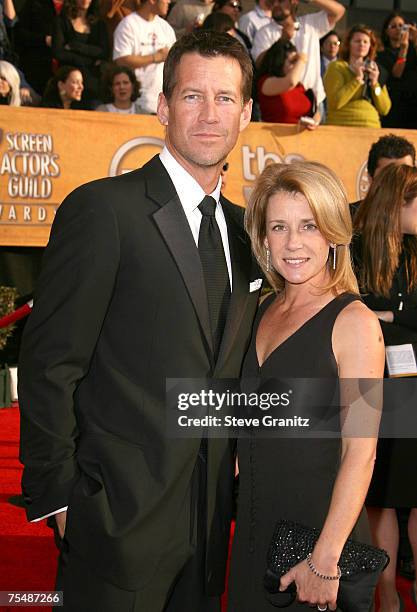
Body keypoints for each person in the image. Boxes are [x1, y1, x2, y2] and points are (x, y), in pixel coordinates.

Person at [19, 30, 259, 612]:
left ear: (247, 113)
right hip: (113, 523)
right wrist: (63, 502)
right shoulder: (104, 209)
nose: (209, 114)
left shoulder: (250, 232)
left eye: (225, 98)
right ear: (163, 105)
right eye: (192, 96)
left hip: (209, 533)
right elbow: (51, 363)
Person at [228, 161, 385, 611]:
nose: (293, 243)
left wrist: (326, 557)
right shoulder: (257, 312)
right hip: (255, 533)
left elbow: (362, 452)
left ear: (334, 233)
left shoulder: (354, 322)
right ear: (264, 238)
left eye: (309, 226)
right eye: (279, 227)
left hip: (318, 545)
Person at [353, 163, 417, 612]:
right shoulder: (355, 249)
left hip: (413, 384)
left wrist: (383, 320)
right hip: (371, 386)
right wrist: (393, 324)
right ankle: (387, 594)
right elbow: (349, 314)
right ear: (398, 203)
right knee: (381, 499)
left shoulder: (416, 254)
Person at [251, 0, 345, 116]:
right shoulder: (264, 32)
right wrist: (282, 40)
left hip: (315, 102)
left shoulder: (310, 23)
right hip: (283, 104)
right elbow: (260, 63)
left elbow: (338, 11)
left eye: (280, 1)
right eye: (272, 2)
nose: (275, 5)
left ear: (294, 2)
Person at [113, 0, 176, 114]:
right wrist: (156, 57)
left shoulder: (166, 28)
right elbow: (121, 59)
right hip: (137, 102)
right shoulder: (128, 25)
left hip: (163, 103)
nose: (169, 2)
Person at [324, 24, 391, 128]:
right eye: (357, 41)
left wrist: (375, 84)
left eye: (365, 42)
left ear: (370, 46)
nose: (361, 44)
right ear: (348, 44)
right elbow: (335, 102)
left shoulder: (375, 71)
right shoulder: (337, 67)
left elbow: (385, 108)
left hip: (371, 127)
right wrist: (357, 80)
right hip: (342, 127)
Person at [52, 0, 110, 104]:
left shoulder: (99, 24)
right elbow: (58, 52)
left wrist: (76, 46)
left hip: (92, 84)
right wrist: (89, 59)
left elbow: (103, 52)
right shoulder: (62, 21)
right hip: (69, 85)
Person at [350, 133, 416, 218]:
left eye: (405, 173)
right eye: (387, 176)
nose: (397, 182)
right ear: (370, 177)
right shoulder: (349, 218)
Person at [257, 38, 319, 126]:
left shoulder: (299, 86)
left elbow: (314, 112)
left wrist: (314, 121)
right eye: (292, 61)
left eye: (296, 62)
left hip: (302, 138)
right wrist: (302, 59)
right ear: (279, 62)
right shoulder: (266, 82)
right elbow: (291, 81)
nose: (295, 65)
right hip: (273, 137)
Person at [377, 12, 417, 130]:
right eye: (393, 26)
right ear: (386, 31)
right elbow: (396, 74)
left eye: (401, 26)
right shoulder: (382, 55)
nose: (398, 29)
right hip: (395, 105)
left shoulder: (413, 50)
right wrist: (403, 49)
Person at [16, 0, 62, 96]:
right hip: (37, 67)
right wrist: (44, 39)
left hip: (65, 70)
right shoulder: (35, 4)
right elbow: (19, 34)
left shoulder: (72, 6)